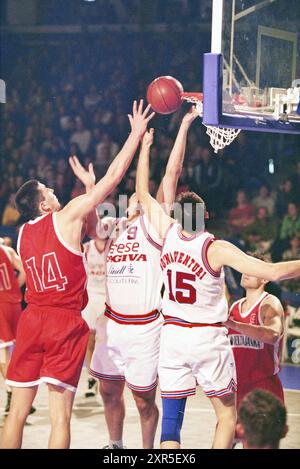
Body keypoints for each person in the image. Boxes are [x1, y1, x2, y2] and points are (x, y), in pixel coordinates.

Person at [0, 100, 154, 449]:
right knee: (60, 418)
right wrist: (134, 135)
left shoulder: (21, 234)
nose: (54, 191)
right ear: (43, 204)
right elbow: (114, 179)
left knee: (16, 414)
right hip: (63, 322)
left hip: (31, 318)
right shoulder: (66, 217)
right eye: (48, 191)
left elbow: (95, 228)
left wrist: (88, 189)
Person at [135, 127, 300, 449]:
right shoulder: (215, 248)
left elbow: (143, 192)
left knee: (171, 421)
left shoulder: (166, 232)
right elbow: (272, 271)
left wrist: (145, 147)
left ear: (179, 218)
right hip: (207, 336)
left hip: (171, 336)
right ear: (205, 217)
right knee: (226, 415)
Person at [72, 107, 198, 449]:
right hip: (111, 325)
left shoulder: (156, 226)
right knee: (108, 390)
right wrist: (89, 186)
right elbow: (89, 221)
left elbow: (171, 174)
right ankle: (115, 444)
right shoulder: (115, 229)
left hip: (144, 327)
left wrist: (181, 127)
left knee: (144, 401)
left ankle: (147, 451)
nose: (132, 203)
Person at [225, 253, 285, 412]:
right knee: (232, 436)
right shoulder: (234, 307)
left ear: (265, 278)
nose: (245, 271)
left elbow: (272, 335)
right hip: (237, 386)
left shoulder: (270, 303)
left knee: (260, 437)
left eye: (252, 269)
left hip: (263, 386)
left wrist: (234, 324)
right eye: (245, 267)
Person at [0, 240, 26, 415]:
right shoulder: (7, 250)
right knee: (14, 350)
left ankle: (12, 392)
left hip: (1, 307)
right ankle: (17, 391)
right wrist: (15, 287)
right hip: (14, 304)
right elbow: (25, 271)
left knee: (3, 353)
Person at [81, 237, 107, 398]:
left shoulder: (114, 247)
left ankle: (105, 378)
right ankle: (91, 378)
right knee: (89, 340)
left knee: (104, 341)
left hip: (107, 297)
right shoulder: (85, 249)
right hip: (90, 297)